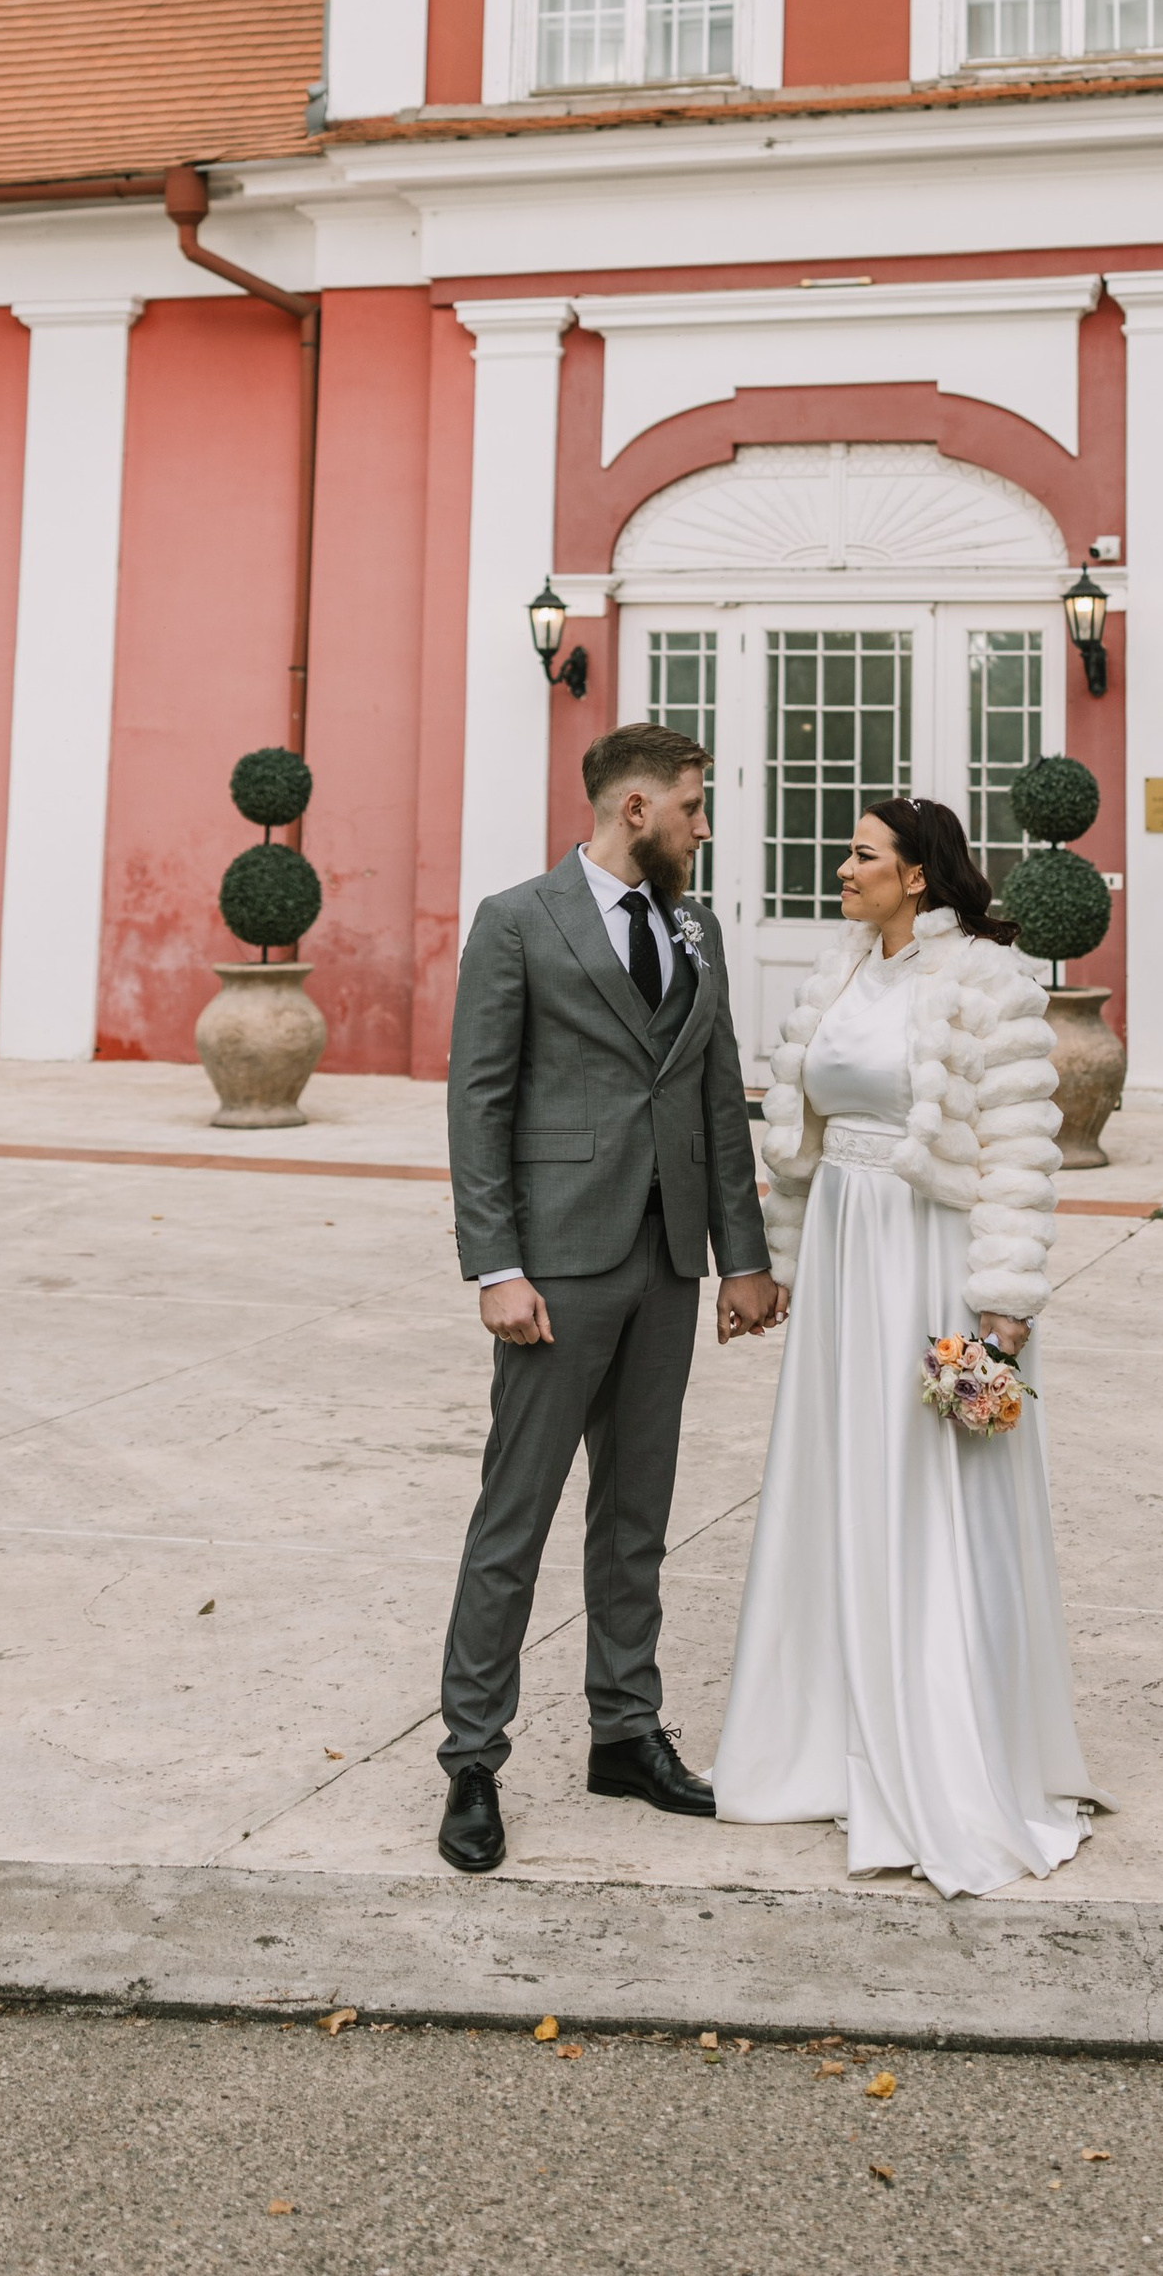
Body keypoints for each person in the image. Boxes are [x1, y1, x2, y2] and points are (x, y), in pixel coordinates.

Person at [711, 795, 1102, 1898]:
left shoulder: (986, 981)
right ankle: (822, 1729)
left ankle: (945, 1736)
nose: (842, 868)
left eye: (863, 854)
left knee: (929, 1484)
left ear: (918, 874)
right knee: (839, 1477)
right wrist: (780, 1263)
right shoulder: (837, 969)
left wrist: (1004, 1300)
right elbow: (800, 1142)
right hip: (843, 1251)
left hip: (930, 1254)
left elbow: (1024, 1151)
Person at [436, 721, 784, 1875]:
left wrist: (742, 1255)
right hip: (555, 1270)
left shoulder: (696, 924)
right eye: (692, 804)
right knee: (514, 1522)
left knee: (637, 1517)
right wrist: (495, 1267)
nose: (702, 824)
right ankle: (472, 1759)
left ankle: (625, 1731)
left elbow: (712, 1096)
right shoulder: (515, 921)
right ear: (634, 808)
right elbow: (478, 1103)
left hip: (665, 1262)